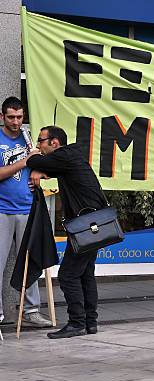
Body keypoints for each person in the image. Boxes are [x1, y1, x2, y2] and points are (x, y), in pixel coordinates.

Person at [27, 126, 107, 339]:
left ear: (54, 142)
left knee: (68, 274)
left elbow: (34, 162)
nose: (38, 146)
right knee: (86, 273)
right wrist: (41, 171)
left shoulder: (64, 155)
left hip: (86, 225)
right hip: (94, 224)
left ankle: (76, 322)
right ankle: (90, 323)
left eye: (41, 141)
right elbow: (48, 169)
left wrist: (34, 160)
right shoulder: (69, 157)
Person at [0, 97, 53, 328]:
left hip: (27, 207)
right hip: (2, 209)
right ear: (2, 117)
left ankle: (31, 310)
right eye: (11, 117)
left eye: (19, 117)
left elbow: (48, 166)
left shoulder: (28, 137)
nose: (16, 121)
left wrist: (39, 172)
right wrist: (25, 162)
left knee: (30, 262)